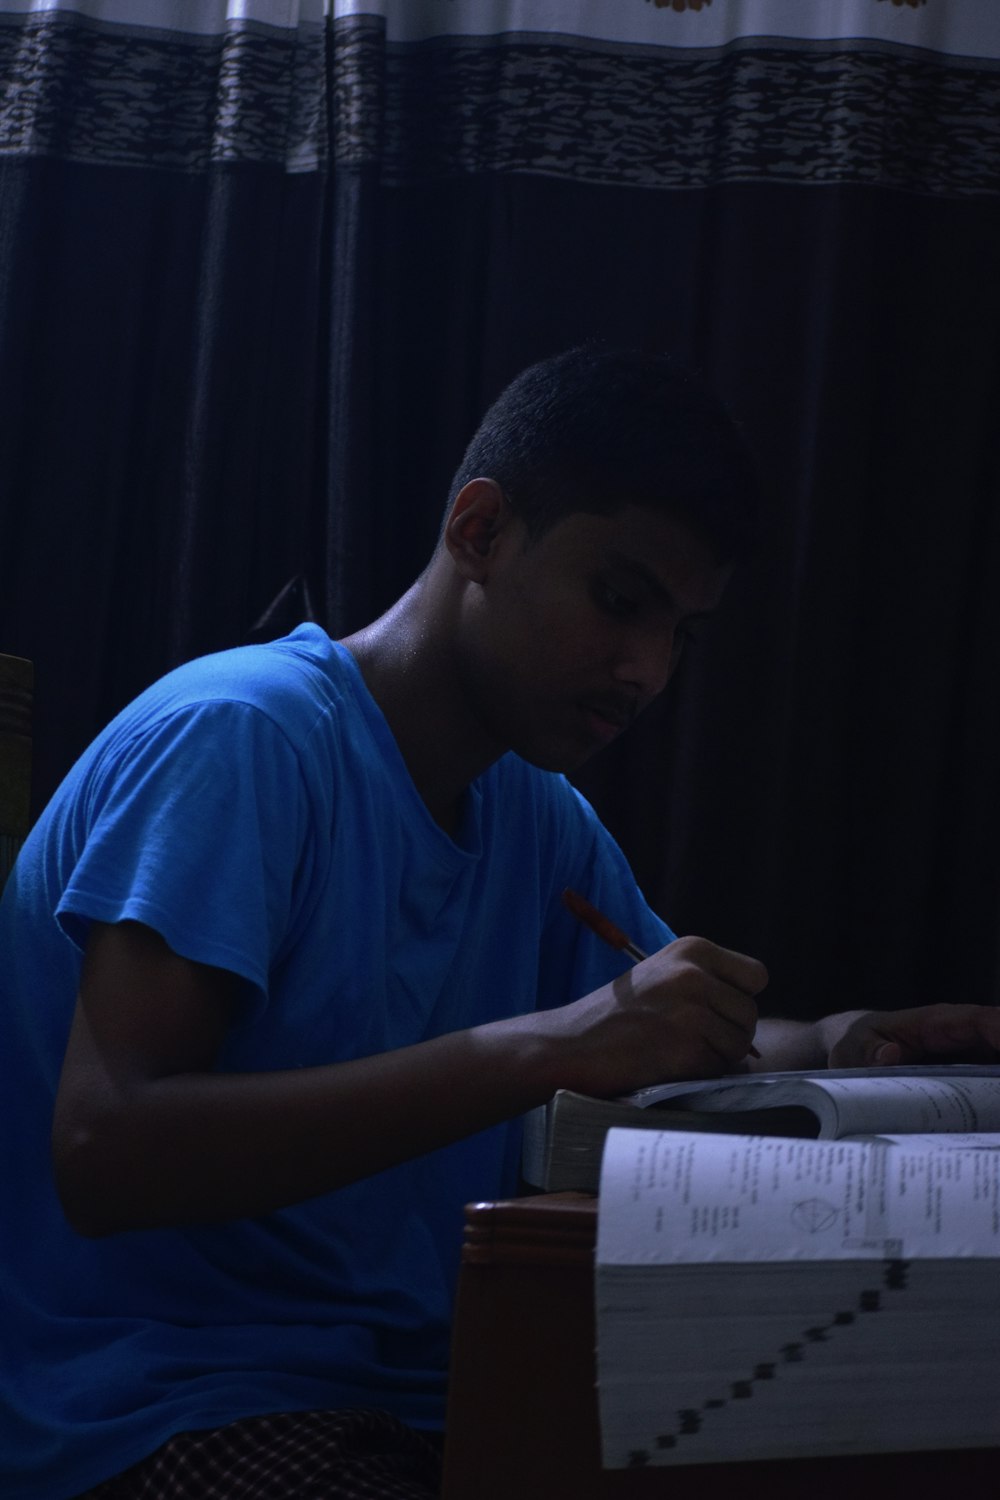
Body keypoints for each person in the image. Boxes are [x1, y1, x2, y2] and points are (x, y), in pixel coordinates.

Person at [2, 346, 997, 1500]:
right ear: (478, 532)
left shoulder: (537, 816)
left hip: (426, 1389)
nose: (645, 671)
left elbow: (649, 1022)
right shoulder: (242, 739)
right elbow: (104, 1149)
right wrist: (550, 1048)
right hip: (152, 1401)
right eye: (620, 602)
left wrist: (843, 1039)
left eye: (681, 632)